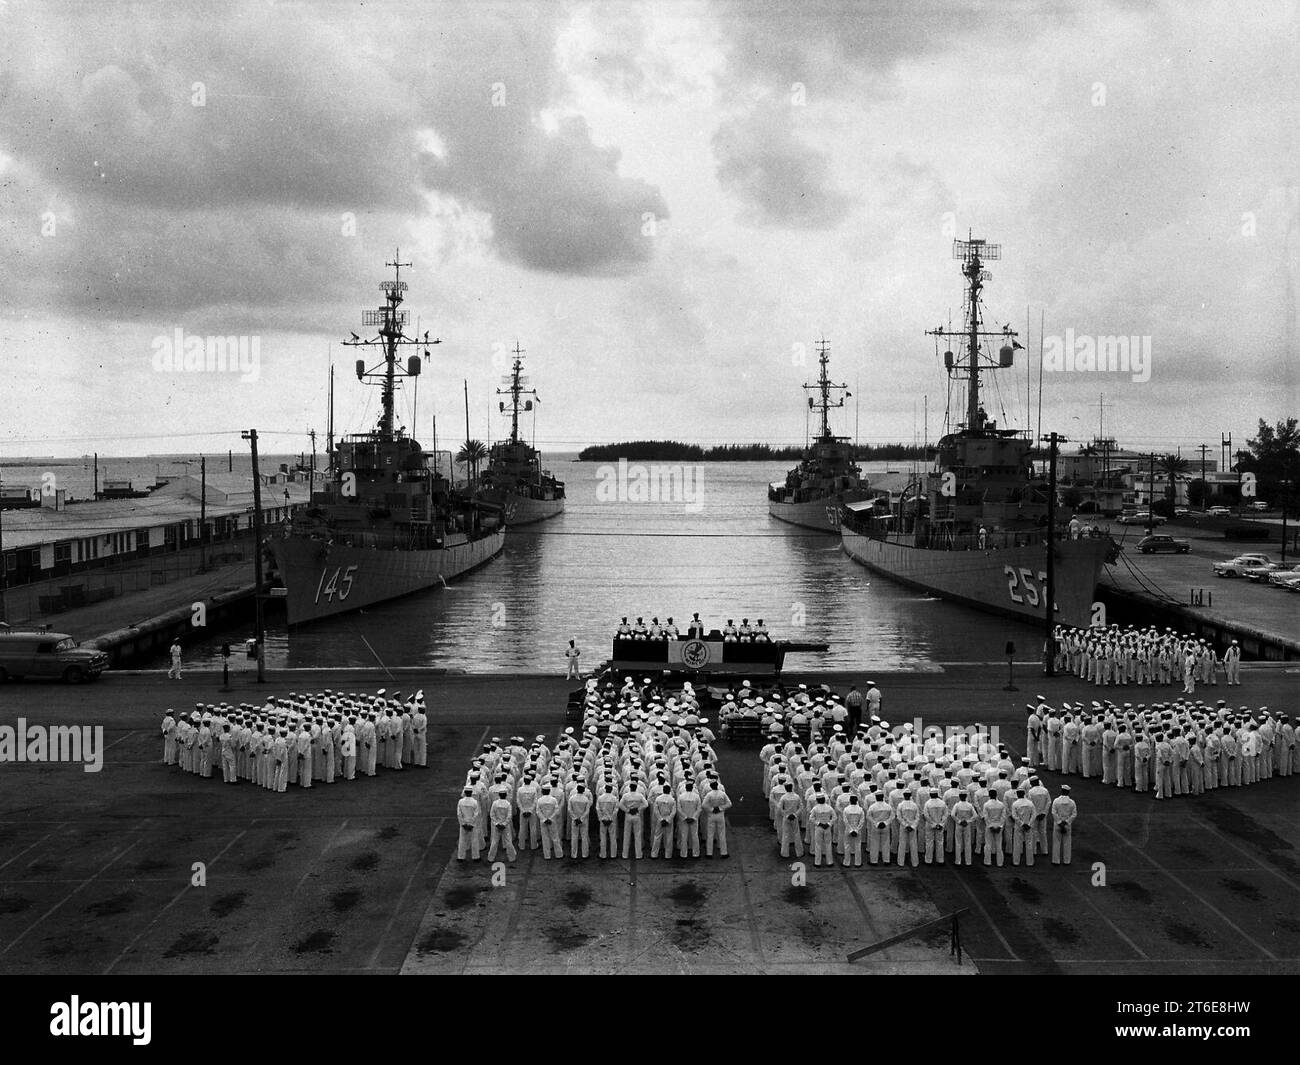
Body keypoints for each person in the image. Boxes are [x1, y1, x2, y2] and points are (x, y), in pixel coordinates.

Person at [620, 783, 648, 859]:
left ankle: (625, 855)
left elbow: (620, 805)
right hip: (636, 815)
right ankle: (638, 855)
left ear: (630, 787)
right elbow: (646, 804)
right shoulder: (639, 795)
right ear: (636, 787)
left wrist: (627, 810)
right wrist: (638, 809)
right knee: (638, 835)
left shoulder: (626, 795)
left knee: (626, 835)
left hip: (628, 815)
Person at [1051, 785, 1077, 864]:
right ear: (1068, 792)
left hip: (1057, 824)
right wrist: (1066, 822)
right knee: (1067, 842)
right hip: (1067, 824)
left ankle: (1056, 860)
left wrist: (1059, 822)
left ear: (1061, 791)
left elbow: (1053, 812)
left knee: (1056, 842)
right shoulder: (1072, 802)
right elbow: (1074, 814)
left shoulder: (1056, 801)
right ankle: (1067, 860)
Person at [457, 788, 482, 861]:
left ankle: (460, 857)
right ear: (471, 792)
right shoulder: (474, 802)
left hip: (463, 823)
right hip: (472, 824)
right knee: (474, 840)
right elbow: (476, 814)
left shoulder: (460, 801)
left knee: (462, 840)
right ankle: (476, 857)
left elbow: (459, 814)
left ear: (464, 792)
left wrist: (463, 824)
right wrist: (471, 824)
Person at [568, 783, 592, 858]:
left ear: (577, 790)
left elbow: (569, 809)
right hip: (583, 820)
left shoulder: (572, 798)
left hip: (574, 820)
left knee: (574, 837)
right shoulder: (585, 799)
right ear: (584, 790)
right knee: (584, 837)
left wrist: (575, 818)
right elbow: (587, 811)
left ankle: (573, 854)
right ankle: (585, 854)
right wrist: (581, 819)